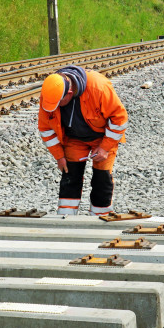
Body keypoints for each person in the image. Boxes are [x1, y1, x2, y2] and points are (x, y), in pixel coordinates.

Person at [38, 65, 128, 216]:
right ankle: (65, 219)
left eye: (59, 103)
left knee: (102, 178)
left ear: (70, 93)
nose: (56, 107)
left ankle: (100, 218)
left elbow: (119, 119)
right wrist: (59, 157)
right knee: (70, 175)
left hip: (102, 137)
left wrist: (105, 148)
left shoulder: (98, 87)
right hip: (74, 139)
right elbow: (45, 129)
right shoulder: (51, 92)